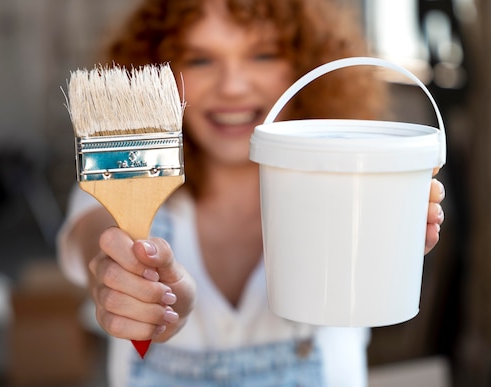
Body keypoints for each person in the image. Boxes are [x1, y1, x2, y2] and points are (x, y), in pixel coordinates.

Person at [57, 0, 446, 385]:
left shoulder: (352, 186)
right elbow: (94, 240)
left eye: (263, 55)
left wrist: (383, 242)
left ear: (304, 64)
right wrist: (122, 279)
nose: (232, 86)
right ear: (160, 75)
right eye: (200, 60)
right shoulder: (125, 185)